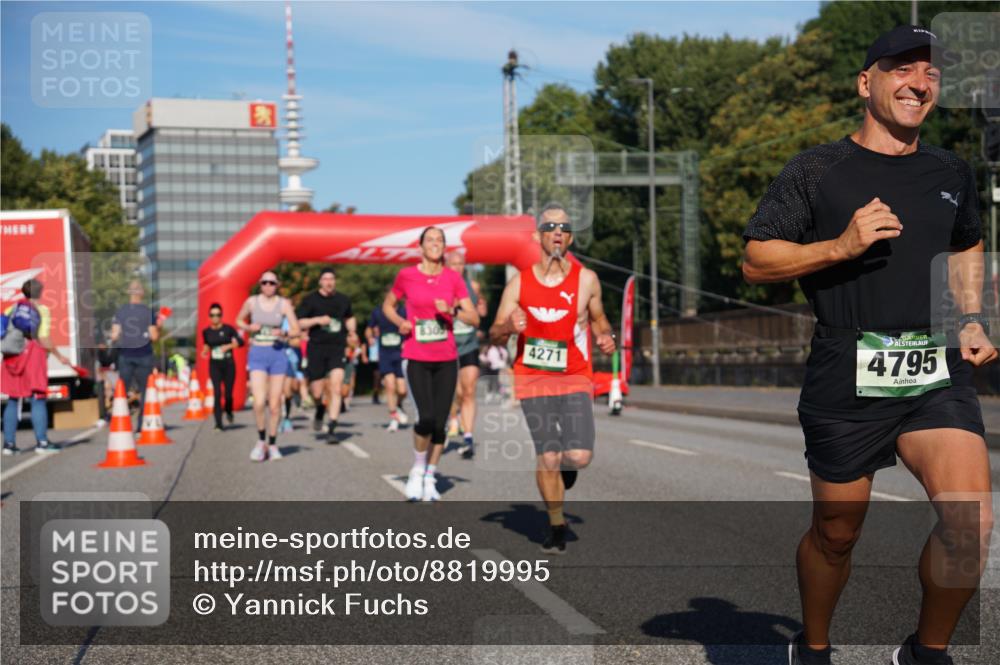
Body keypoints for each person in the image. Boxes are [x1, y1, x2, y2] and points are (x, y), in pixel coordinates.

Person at [740, 26, 994, 665]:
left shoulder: (950, 170)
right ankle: (815, 646)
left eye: (932, 74)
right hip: (846, 368)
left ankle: (926, 652)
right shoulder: (818, 170)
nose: (919, 83)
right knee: (836, 532)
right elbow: (755, 258)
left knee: (971, 522)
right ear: (866, 82)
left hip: (934, 369)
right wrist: (840, 247)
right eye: (903, 69)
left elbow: (965, 241)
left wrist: (969, 316)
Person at [489, 203, 615, 553]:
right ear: (537, 235)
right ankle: (556, 524)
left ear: (570, 237)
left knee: (578, 456)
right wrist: (507, 327)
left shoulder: (586, 279)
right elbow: (495, 334)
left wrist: (607, 337)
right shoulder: (520, 282)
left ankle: (567, 466)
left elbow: (600, 319)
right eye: (550, 226)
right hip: (532, 377)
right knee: (547, 454)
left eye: (564, 226)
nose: (557, 231)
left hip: (574, 375)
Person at [382, 227, 479, 501]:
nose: (435, 244)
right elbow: (388, 305)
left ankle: (430, 475)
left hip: (447, 358)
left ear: (444, 247)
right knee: (425, 418)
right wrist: (400, 321)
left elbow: (474, 318)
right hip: (417, 356)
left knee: (441, 423)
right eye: (430, 240)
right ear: (421, 247)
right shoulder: (407, 276)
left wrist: (453, 310)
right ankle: (417, 468)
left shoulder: (453, 278)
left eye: (440, 240)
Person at [2, 279, 71, 455]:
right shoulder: (41, 311)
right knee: (37, 398)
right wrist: (59, 356)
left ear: (23, 292)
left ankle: (9, 445)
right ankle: (42, 442)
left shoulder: (12, 309)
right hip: (33, 356)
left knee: (13, 399)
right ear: (40, 292)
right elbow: (44, 338)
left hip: (12, 357)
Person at [236, 270, 299, 462]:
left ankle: (272, 443)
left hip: (277, 354)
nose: (268, 286)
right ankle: (261, 440)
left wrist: (284, 333)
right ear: (260, 284)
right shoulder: (252, 302)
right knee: (258, 401)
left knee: (274, 404)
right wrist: (248, 328)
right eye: (265, 283)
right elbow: (238, 319)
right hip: (257, 354)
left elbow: (296, 330)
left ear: (277, 285)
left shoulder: (284, 304)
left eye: (272, 283)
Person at [296, 268, 357, 443]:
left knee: (336, 386)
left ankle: (332, 426)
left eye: (332, 279)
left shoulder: (343, 300)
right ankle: (320, 409)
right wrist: (317, 320)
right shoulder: (310, 300)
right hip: (316, 348)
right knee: (317, 391)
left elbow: (349, 317)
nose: (329, 282)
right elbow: (299, 322)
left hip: (337, 348)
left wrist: (352, 331)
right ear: (320, 282)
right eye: (325, 279)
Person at [445, 250, 489, 458]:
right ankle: (450, 420)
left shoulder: (473, 287)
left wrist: (481, 307)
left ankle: (468, 437)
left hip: (469, 344)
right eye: (453, 264)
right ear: (446, 266)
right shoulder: (440, 287)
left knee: (468, 390)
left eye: (461, 264)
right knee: (455, 392)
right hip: (447, 347)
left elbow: (481, 312)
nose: (458, 267)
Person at [110, 279, 162, 430]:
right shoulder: (148, 312)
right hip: (144, 354)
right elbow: (154, 336)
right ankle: (141, 426)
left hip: (125, 354)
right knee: (145, 390)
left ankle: (121, 425)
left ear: (128, 292)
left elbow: (114, 335)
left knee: (122, 390)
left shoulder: (120, 312)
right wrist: (158, 328)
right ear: (142, 293)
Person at [367, 287, 409, 432]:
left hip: (401, 354)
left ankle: (398, 405)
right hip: (385, 354)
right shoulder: (378, 311)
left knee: (403, 390)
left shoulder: (404, 311)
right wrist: (370, 336)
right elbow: (369, 327)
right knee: (390, 386)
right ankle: (393, 417)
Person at [200, 302, 242, 431]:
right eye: (212, 315)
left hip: (228, 364)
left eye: (218, 315)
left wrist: (229, 346)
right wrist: (205, 350)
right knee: (217, 393)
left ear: (221, 315)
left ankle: (229, 411)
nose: (215, 317)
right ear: (209, 317)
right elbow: (207, 344)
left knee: (228, 394)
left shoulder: (229, 329)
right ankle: (218, 423)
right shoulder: (206, 332)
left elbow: (240, 341)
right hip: (215, 364)